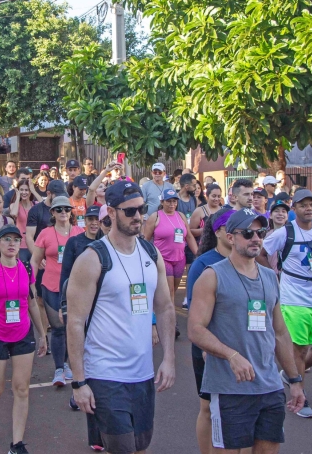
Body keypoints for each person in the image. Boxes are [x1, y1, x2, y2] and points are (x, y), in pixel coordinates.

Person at [66, 181, 176, 454]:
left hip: (142, 374)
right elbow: (75, 323)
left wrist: (169, 359)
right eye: (130, 211)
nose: (138, 216)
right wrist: (79, 382)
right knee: (122, 448)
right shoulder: (92, 259)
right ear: (112, 213)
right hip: (105, 374)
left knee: (140, 447)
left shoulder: (152, 254)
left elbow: (164, 308)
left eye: (142, 209)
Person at [189, 209, 305, 453]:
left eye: (260, 232)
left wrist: (294, 380)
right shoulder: (212, 276)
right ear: (230, 237)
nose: (256, 238)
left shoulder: (270, 277)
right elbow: (195, 330)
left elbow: (281, 333)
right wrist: (231, 355)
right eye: (248, 233)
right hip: (230, 388)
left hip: (270, 385)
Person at [258, 189, 312, 418]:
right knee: (299, 350)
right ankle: (300, 392)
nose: (308, 208)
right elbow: (262, 253)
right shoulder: (284, 233)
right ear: (295, 209)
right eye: (303, 205)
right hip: (292, 298)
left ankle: (290, 373)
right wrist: (274, 277)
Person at [0, 225, 47, 454]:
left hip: (23, 334)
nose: (12, 243)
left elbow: (32, 302)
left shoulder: (26, 268)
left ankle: (17, 444)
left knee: (22, 389)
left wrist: (42, 332)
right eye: (7, 239)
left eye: (16, 239)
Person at [184, 208, 233, 453]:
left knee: (239, 409)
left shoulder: (248, 260)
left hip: (241, 347)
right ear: (219, 231)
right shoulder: (203, 264)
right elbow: (195, 314)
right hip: (209, 348)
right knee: (208, 408)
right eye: (234, 226)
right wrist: (206, 347)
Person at [31, 195, 84, 386]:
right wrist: (31, 285)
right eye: (59, 209)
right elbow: (35, 261)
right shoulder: (45, 233)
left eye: (67, 209)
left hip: (75, 288)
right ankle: (59, 369)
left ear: (71, 212)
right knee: (58, 328)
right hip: (51, 286)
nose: (63, 212)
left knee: (72, 327)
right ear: (52, 212)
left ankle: (67, 364)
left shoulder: (79, 232)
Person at [143, 189, 197, 323]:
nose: (172, 204)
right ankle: (171, 323)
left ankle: (163, 316)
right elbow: (145, 239)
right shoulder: (155, 217)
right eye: (168, 201)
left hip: (179, 258)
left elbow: (189, 236)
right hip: (163, 259)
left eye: (174, 201)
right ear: (162, 201)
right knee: (170, 292)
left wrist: (199, 254)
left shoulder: (181, 216)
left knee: (172, 291)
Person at [9, 179, 41, 263]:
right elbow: (13, 214)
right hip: (21, 244)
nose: (24, 192)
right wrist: (18, 196)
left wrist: (34, 191)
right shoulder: (15, 205)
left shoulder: (35, 205)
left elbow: (45, 206)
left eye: (26, 190)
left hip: (35, 243)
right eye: (21, 190)